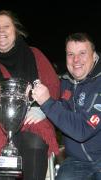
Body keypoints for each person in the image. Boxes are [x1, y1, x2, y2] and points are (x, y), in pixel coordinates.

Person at [0, 10, 60, 180]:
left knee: (35, 142)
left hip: (30, 118)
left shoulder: (34, 54)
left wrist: (43, 108)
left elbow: (53, 86)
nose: (1, 31)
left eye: (6, 26)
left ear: (15, 31)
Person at [32, 32, 101, 180]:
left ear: (94, 56)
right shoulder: (64, 82)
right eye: (70, 54)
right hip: (76, 161)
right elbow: (55, 106)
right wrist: (37, 106)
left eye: (82, 53)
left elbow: (83, 130)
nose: (76, 59)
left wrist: (48, 104)